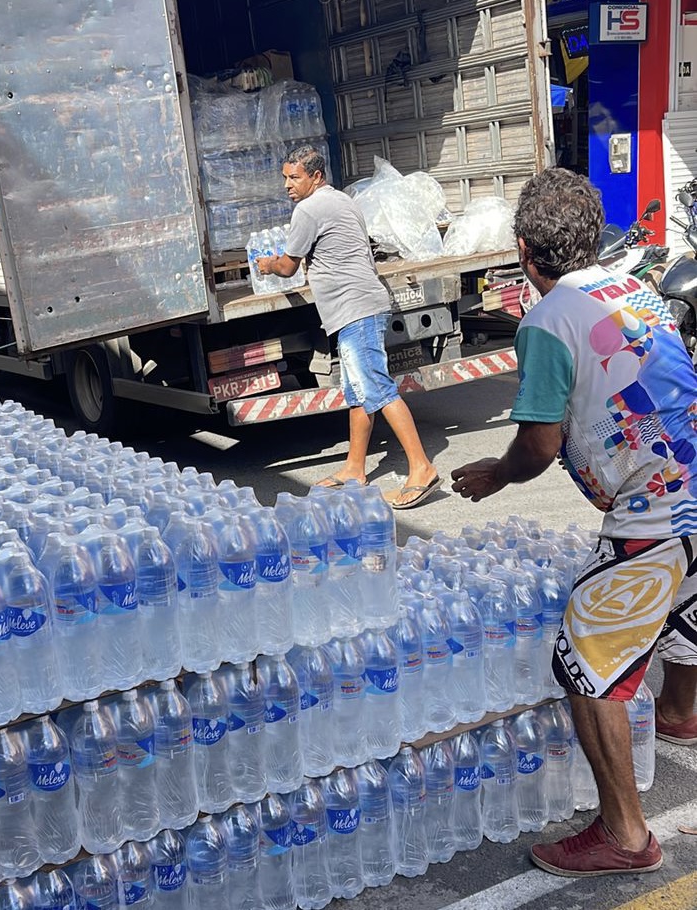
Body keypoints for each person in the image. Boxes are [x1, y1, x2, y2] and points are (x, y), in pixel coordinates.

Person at [452, 167, 697, 876]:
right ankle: (682, 714)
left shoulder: (546, 320)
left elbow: (537, 445)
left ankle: (624, 836)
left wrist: (496, 473)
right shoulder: (633, 288)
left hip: (657, 508)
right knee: (681, 609)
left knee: (586, 661)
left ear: (525, 250)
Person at [257, 145, 441, 508]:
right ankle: (354, 468)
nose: (288, 185)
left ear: (316, 176)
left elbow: (287, 267)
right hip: (361, 306)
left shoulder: (308, 210)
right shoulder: (343, 201)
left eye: (295, 178)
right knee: (358, 392)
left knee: (376, 388)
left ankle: (421, 468)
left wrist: (266, 265)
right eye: (285, 178)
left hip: (353, 309)